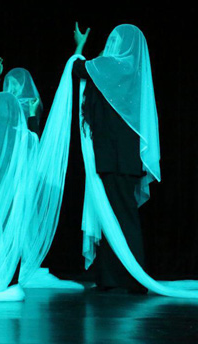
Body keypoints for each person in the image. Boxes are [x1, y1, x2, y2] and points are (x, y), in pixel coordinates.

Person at [72, 22, 159, 294]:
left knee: (120, 215)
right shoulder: (132, 71)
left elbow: (77, 68)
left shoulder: (112, 65)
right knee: (116, 215)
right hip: (124, 156)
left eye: (114, 39)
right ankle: (112, 276)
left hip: (114, 156)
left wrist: (79, 45)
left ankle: (133, 278)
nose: (110, 43)